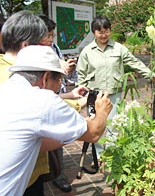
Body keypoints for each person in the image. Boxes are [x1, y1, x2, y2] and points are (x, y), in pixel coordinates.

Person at [0, 45, 112, 196]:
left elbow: (39, 144)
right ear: (46, 77)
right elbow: (93, 133)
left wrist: (74, 130)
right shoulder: (41, 99)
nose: (60, 85)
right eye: (59, 79)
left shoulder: (7, 89)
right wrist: (102, 112)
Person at [76, 15, 155, 162]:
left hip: (114, 93)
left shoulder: (119, 48)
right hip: (94, 94)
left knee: (113, 125)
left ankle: (113, 154)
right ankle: (99, 157)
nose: (103, 35)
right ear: (93, 32)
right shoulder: (87, 51)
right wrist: (82, 93)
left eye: (106, 31)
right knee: (96, 126)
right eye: (99, 32)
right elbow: (81, 73)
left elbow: (134, 62)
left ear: (110, 31)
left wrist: (150, 74)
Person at [38, 14, 75, 193]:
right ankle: (42, 176)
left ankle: (57, 174)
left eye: (52, 35)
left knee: (56, 138)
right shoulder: (30, 52)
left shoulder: (54, 47)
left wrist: (66, 68)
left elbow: (62, 74)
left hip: (57, 96)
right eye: (48, 35)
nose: (51, 39)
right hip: (43, 101)